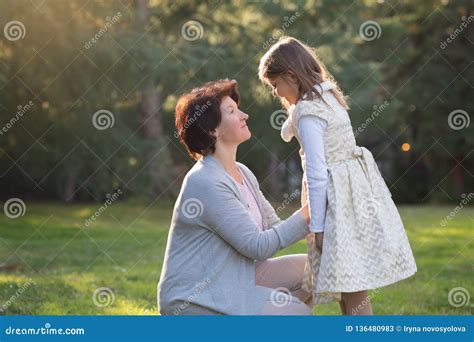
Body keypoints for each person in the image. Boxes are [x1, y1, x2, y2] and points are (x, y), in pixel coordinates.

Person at [258, 36, 417, 315]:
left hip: (336, 200)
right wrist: (292, 122)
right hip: (354, 190)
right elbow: (298, 126)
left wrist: (317, 228)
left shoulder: (308, 113)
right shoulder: (326, 95)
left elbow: (317, 172)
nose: (276, 92)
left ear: (291, 75)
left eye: (276, 85)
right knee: (349, 280)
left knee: (353, 286)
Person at [158, 79, 313, 315]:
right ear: (212, 129)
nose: (244, 115)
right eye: (231, 111)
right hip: (197, 299)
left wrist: (319, 224)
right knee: (298, 315)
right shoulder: (205, 181)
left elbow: (274, 228)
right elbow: (258, 246)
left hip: (236, 279)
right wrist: (309, 213)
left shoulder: (243, 172)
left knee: (316, 270)